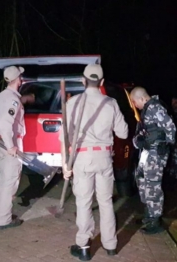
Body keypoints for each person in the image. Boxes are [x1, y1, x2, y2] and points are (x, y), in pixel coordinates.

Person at [61, 64, 128, 261]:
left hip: (82, 157)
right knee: (106, 201)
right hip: (104, 157)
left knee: (84, 202)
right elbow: (123, 132)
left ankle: (83, 246)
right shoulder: (111, 103)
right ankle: (110, 245)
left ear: (83, 81)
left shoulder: (72, 103)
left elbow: (63, 137)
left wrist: (65, 164)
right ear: (102, 82)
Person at [130, 87, 176, 234]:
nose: (134, 105)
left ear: (142, 98)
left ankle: (155, 222)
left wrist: (164, 144)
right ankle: (148, 215)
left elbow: (171, 128)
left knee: (153, 187)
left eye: (134, 101)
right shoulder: (146, 110)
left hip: (155, 154)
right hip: (147, 153)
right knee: (142, 182)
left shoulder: (155, 107)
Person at [0, 65, 26, 230]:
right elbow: (6, 123)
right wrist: (11, 146)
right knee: (10, 182)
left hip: (0, 142)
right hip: (9, 143)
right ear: (18, 79)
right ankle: (4, 220)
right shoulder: (13, 99)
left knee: (3, 180)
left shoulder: (1, 96)